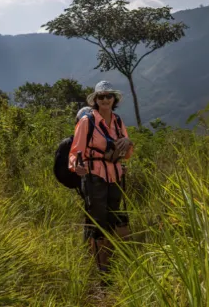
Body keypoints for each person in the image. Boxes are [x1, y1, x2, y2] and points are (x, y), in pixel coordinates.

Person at [69, 81, 134, 275]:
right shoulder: (87, 122)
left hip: (115, 175)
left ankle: (112, 258)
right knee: (97, 217)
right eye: (101, 97)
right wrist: (76, 166)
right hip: (94, 175)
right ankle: (99, 267)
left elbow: (128, 154)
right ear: (95, 100)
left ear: (114, 99)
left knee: (113, 214)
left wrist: (128, 142)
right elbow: (75, 150)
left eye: (108, 96)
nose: (105, 99)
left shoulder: (118, 121)